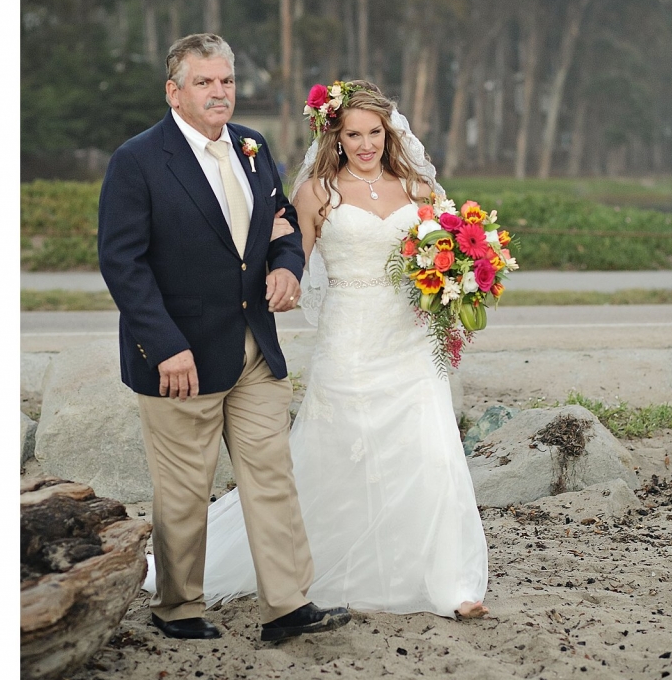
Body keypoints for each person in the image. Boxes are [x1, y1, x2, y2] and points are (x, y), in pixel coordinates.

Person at [155, 78, 489, 619]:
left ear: (389, 132)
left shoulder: (419, 190)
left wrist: (465, 284)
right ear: (335, 135)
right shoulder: (317, 192)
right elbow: (291, 254)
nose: (365, 144)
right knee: (343, 454)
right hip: (350, 339)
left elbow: (444, 253)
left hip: (409, 340)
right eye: (353, 133)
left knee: (429, 453)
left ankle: (450, 583)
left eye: (374, 132)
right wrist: (271, 283)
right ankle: (323, 573)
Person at [98, 32, 351, 643]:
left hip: (254, 349)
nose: (219, 93)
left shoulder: (254, 147)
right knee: (184, 492)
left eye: (226, 81)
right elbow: (122, 263)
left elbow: (283, 225)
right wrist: (164, 345)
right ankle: (177, 608)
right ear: (174, 91)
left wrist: (289, 265)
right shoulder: (137, 160)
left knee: (272, 476)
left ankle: (287, 606)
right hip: (177, 358)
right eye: (204, 82)